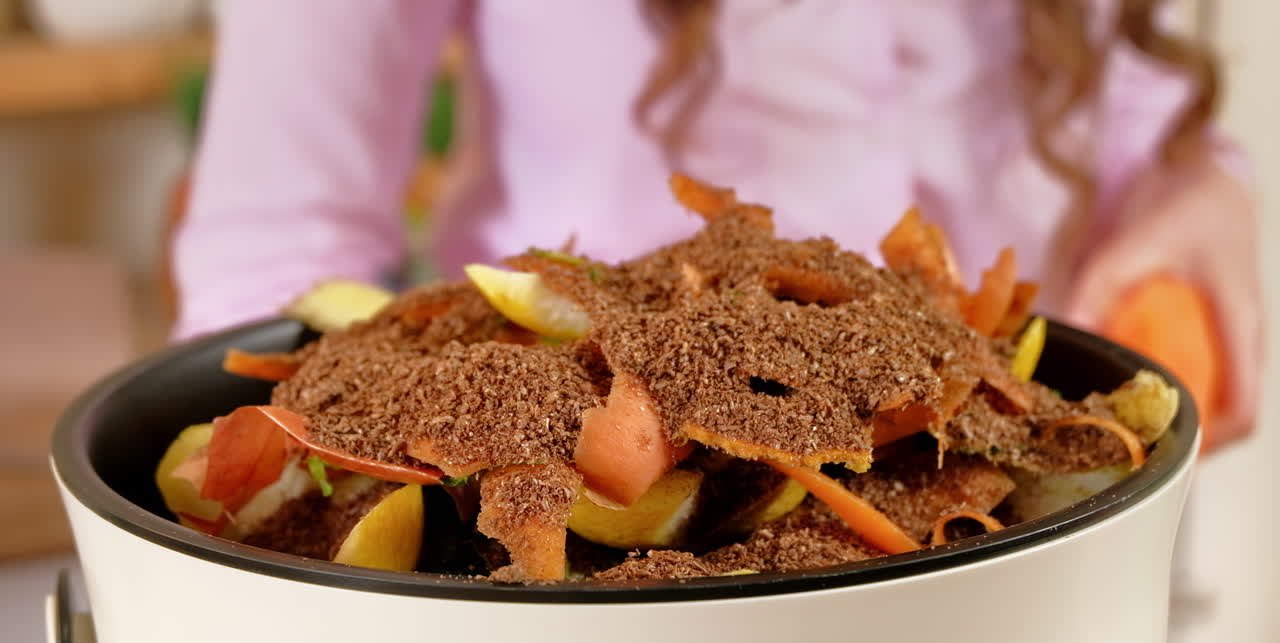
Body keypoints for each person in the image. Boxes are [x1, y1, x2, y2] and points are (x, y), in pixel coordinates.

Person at [171, 0, 1261, 450]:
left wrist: (1191, 193)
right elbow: (276, 249)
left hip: (1002, 499)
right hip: (575, 574)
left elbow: (1127, 120)